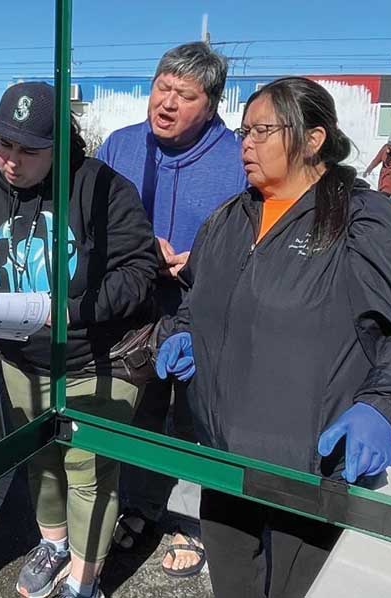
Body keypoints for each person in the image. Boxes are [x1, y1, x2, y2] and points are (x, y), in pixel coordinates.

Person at [154, 77, 391, 597]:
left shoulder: (362, 220)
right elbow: (198, 300)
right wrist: (183, 331)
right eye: (244, 130)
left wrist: (383, 405)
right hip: (224, 458)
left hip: (309, 470)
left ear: (314, 139)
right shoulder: (227, 220)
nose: (246, 142)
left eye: (263, 130)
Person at [0, 82, 158, 598]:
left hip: (98, 359)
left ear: (59, 144)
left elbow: (139, 273)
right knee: (39, 457)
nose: (11, 161)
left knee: (88, 471)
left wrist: (68, 312)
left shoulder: (101, 189)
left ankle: (84, 578)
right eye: (3, 146)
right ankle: (53, 543)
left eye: (29, 151)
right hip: (21, 361)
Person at [96, 41, 247, 577]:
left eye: (185, 95)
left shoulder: (237, 157)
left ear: (212, 105)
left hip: (206, 308)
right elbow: (89, 222)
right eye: (162, 87)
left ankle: (189, 522)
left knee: (196, 415)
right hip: (132, 306)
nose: (167, 103)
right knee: (136, 410)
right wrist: (136, 249)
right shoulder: (120, 146)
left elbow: (258, 235)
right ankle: (137, 507)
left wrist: (205, 262)